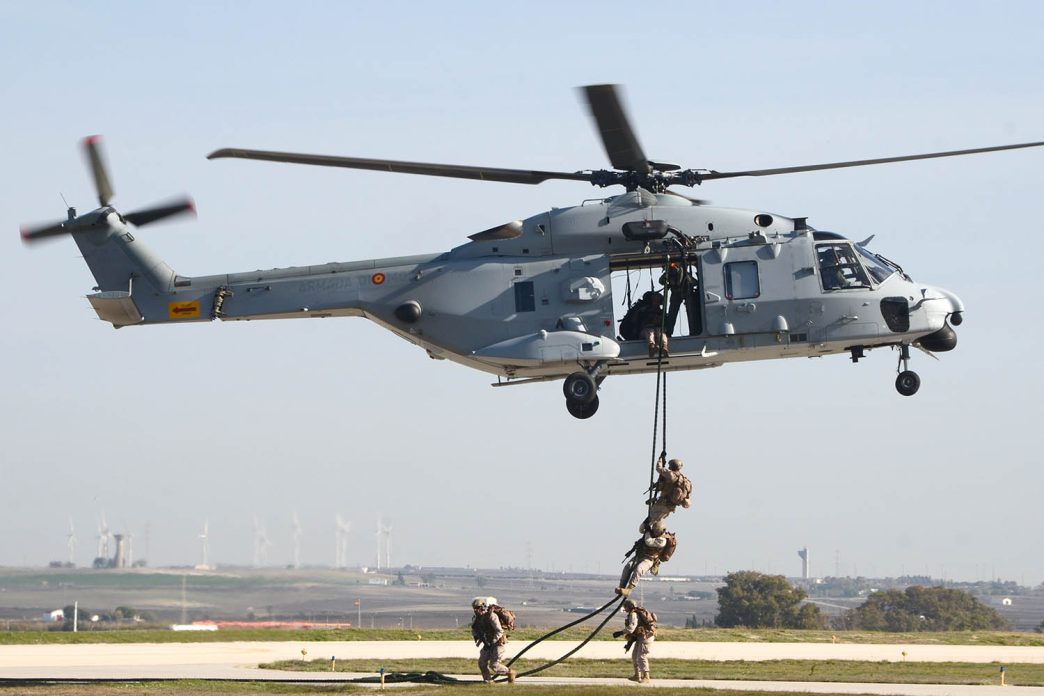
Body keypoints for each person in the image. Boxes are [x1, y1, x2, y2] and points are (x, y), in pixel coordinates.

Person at [617, 521, 677, 595]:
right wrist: (645, 523)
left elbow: (649, 542)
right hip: (640, 555)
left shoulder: (662, 540)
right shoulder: (650, 532)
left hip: (649, 559)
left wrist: (647, 532)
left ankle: (629, 589)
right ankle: (621, 587)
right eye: (654, 531)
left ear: (662, 531)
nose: (655, 533)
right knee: (627, 567)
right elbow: (641, 530)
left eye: (657, 531)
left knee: (639, 569)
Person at [471, 596, 516, 684]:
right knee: (482, 663)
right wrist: (478, 637)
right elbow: (474, 629)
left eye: (478, 608)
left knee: (494, 665)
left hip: (498, 642)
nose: (476, 610)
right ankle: (488, 680)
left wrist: (492, 641)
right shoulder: (477, 618)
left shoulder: (492, 616)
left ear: (483, 607)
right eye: (474, 608)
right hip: (487, 642)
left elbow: (499, 631)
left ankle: (510, 672)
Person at [613, 598, 656, 682]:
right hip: (641, 636)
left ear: (629, 606)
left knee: (641, 656)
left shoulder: (633, 614)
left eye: (625, 607)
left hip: (646, 636)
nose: (625, 609)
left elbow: (631, 628)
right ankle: (637, 675)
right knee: (634, 656)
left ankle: (646, 677)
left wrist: (620, 632)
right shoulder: (634, 613)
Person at [646, 454, 693, 528]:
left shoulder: (670, 474)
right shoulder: (684, 480)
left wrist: (660, 459)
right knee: (655, 522)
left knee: (646, 525)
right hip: (671, 506)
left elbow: (658, 468)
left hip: (662, 504)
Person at [658, 262, 698, 336]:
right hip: (676, 295)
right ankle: (669, 332)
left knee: (691, 313)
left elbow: (695, 282)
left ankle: (693, 331)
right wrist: (666, 276)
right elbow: (661, 281)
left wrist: (688, 281)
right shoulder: (668, 274)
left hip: (687, 294)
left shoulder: (684, 273)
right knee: (672, 314)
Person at [637, 290, 668, 358]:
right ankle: (651, 346)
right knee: (650, 330)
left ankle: (664, 347)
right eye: (654, 301)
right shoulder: (643, 311)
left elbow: (665, 325)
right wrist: (650, 319)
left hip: (657, 331)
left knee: (660, 331)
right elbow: (640, 324)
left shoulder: (661, 313)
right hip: (644, 332)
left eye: (658, 301)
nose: (656, 303)